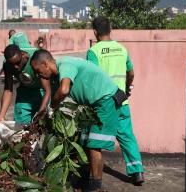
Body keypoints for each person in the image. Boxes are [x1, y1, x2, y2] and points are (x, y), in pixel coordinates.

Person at [30, 49, 126, 191]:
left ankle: (95, 186)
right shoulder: (57, 75)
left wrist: (51, 107)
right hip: (92, 105)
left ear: (45, 64)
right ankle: (84, 179)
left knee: (94, 145)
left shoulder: (65, 65)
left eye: (38, 70)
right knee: (84, 142)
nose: (38, 75)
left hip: (105, 100)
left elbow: (64, 90)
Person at [86, 16, 144, 185]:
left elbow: (92, 78)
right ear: (110, 30)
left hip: (105, 104)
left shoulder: (94, 51)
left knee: (95, 141)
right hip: (122, 101)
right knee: (127, 137)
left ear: (95, 32)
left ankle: (94, 179)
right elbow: (131, 73)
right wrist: (126, 88)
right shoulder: (121, 49)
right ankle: (137, 172)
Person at [0, 44, 51, 126]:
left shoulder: (36, 58)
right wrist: (0, 116)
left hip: (42, 90)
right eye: (12, 64)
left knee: (44, 125)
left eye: (18, 63)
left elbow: (47, 90)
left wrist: (40, 113)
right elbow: (8, 90)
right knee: (21, 126)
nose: (16, 67)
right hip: (25, 91)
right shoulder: (7, 65)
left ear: (23, 55)